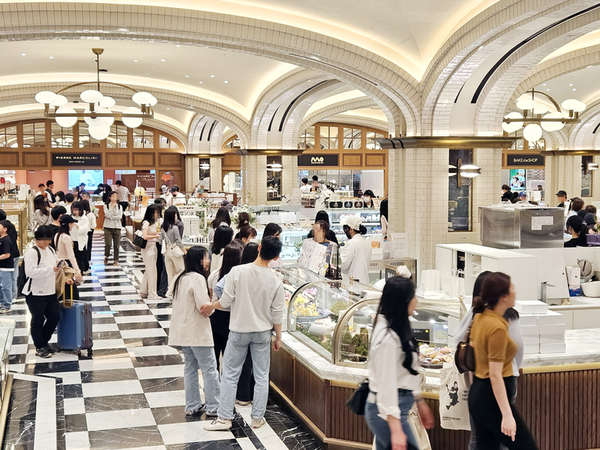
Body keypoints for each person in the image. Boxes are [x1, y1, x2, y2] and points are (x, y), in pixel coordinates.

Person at [202, 236, 285, 431]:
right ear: (276, 257)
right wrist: (278, 337)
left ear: (259, 248)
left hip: (239, 330)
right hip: (263, 332)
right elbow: (277, 312)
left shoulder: (238, 271)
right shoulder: (275, 279)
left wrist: (210, 306)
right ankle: (257, 418)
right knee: (262, 375)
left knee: (230, 373)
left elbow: (225, 301)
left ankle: (224, 418)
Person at [454, 271, 524, 450]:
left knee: (479, 437)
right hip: (506, 382)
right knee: (504, 435)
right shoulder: (511, 316)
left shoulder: (475, 315)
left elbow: (457, 340)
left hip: (479, 385)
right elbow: (519, 349)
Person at [468, 272, 538, 449]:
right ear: (504, 296)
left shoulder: (480, 318)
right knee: (526, 446)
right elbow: (495, 375)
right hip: (491, 398)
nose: (515, 292)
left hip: (478, 393)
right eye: (512, 288)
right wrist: (507, 414)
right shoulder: (496, 327)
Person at [364, 276, 434, 450]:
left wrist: (419, 401)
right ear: (404, 302)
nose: (416, 301)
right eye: (413, 296)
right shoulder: (387, 338)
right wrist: (395, 428)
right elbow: (386, 383)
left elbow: (408, 370)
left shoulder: (399, 328)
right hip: (386, 411)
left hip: (397, 407)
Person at [169, 246, 220, 416]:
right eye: (206, 258)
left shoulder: (180, 277)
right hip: (197, 332)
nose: (208, 261)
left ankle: (192, 405)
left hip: (183, 332)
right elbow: (204, 307)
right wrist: (214, 305)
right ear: (199, 260)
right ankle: (213, 406)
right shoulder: (197, 279)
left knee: (190, 368)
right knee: (209, 368)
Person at [23, 226, 65, 359]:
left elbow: (54, 266)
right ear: (37, 239)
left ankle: (43, 342)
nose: (48, 242)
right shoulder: (32, 253)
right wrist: (50, 269)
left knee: (55, 316)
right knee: (38, 319)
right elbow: (30, 272)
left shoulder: (51, 250)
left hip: (50, 291)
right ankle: (40, 346)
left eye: (49, 239)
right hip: (35, 293)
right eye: (45, 239)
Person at [207, 241, 244, 369]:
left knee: (214, 357)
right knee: (231, 360)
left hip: (216, 318)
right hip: (234, 319)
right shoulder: (240, 276)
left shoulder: (214, 275)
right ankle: (227, 387)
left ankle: (214, 387)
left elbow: (212, 297)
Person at [54, 215, 83, 299]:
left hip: (59, 264)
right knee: (71, 291)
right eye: (72, 223)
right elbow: (71, 256)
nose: (73, 225)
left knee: (62, 288)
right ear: (68, 224)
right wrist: (77, 270)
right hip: (67, 265)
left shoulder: (57, 235)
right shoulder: (67, 238)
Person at [161, 206, 187, 299]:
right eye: (175, 215)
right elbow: (178, 241)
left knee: (170, 273)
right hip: (175, 251)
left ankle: (171, 293)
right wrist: (184, 251)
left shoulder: (163, 228)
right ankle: (170, 291)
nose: (176, 217)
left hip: (167, 252)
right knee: (181, 270)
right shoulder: (175, 228)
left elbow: (161, 240)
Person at [340, 216, 372, 284]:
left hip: (353, 282)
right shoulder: (367, 242)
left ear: (351, 229)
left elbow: (343, 265)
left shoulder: (351, 243)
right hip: (364, 281)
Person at [139, 205, 161, 301]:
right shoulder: (146, 223)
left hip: (153, 247)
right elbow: (145, 236)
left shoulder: (154, 223)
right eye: (155, 213)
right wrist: (156, 236)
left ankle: (143, 291)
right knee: (152, 271)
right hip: (148, 248)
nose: (157, 215)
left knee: (148, 270)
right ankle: (152, 294)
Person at [0, 210, 20, 302]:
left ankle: (8, 299)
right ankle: (13, 296)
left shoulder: (4, 232)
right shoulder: (10, 225)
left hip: (7, 256)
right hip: (15, 253)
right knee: (13, 277)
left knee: (7, 280)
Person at [103, 191, 123, 265]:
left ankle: (115, 260)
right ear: (110, 197)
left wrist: (111, 217)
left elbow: (119, 216)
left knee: (117, 244)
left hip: (117, 227)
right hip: (108, 227)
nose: (115, 198)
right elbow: (107, 214)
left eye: (116, 196)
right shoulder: (106, 206)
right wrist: (111, 208)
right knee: (108, 244)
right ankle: (107, 256)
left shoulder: (119, 206)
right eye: (113, 196)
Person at [70, 201, 90, 273]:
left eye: (77, 210)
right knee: (73, 259)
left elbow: (84, 230)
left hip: (81, 241)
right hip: (72, 241)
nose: (75, 211)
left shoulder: (84, 219)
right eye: (73, 210)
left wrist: (76, 225)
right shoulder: (70, 217)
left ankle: (80, 273)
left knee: (80, 259)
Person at [0, 221, 15, 313]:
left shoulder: (6, 240)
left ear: (5, 229)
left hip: (6, 267)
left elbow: (7, 254)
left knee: (6, 286)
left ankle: (7, 304)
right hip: (1, 266)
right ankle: (2, 302)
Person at [81, 200, 96, 264]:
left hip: (81, 231)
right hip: (89, 231)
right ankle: (88, 258)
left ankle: (83, 259)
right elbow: (94, 225)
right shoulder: (91, 214)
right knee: (89, 244)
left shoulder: (80, 215)